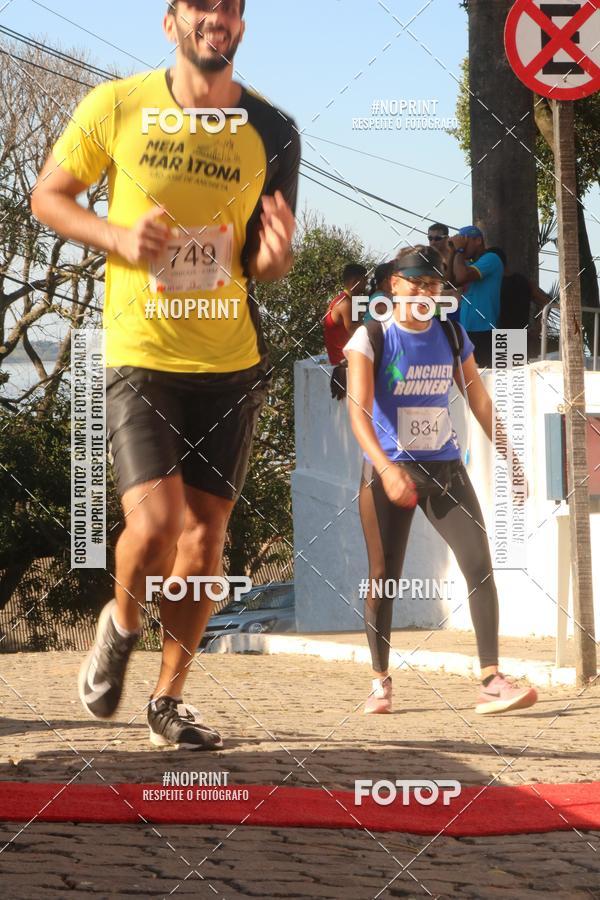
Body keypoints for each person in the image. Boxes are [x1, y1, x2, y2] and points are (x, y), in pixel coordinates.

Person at [31, 0, 300, 750]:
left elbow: (262, 258)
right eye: (202, 5)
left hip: (229, 362)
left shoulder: (274, 131)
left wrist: (274, 259)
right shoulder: (116, 106)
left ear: (241, 25)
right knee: (152, 527)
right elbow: (48, 197)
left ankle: (167, 700)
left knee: (205, 544)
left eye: (231, 7)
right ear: (171, 21)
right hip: (142, 353)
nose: (218, 17)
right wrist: (116, 234)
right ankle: (119, 624)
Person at [344, 244, 537, 717]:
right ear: (394, 285)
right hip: (390, 472)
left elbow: (478, 400)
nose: (426, 294)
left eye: (434, 286)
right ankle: (379, 680)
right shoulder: (371, 337)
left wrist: (512, 456)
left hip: (445, 468)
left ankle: (491, 680)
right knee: (384, 578)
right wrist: (387, 470)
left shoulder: (450, 333)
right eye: (417, 284)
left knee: (479, 565)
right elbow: (358, 412)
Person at [449, 226, 504, 368]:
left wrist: (460, 250)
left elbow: (461, 277)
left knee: (488, 378)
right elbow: (449, 282)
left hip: (486, 331)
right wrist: (453, 252)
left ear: (478, 240)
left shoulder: (491, 259)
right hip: (467, 331)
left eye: (465, 243)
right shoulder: (468, 263)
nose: (462, 247)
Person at [488, 247, 551, 360]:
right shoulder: (522, 281)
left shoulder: (500, 283)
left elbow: (546, 302)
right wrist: (538, 328)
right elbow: (546, 302)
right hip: (516, 336)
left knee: (499, 375)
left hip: (504, 336)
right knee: (513, 374)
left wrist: (538, 329)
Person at [323, 264, 368, 365]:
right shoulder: (345, 304)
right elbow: (359, 335)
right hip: (344, 365)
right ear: (355, 282)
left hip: (347, 362)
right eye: (364, 280)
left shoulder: (345, 300)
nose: (367, 284)